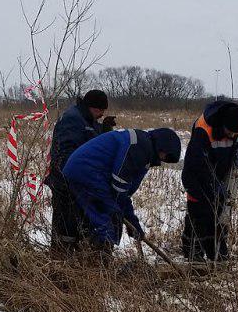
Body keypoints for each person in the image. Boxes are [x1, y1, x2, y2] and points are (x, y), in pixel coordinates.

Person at [60, 127, 182, 255]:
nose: (163, 159)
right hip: (87, 173)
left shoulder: (144, 149)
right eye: (166, 155)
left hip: (87, 173)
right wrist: (125, 216)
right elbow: (119, 188)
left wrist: (132, 221)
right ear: (162, 146)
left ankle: (92, 258)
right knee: (108, 219)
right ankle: (99, 264)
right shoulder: (139, 147)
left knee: (105, 217)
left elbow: (124, 192)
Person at [180, 100, 238, 262]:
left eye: (236, 134)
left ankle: (216, 251)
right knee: (199, 209)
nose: (233, 136)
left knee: (221, 209)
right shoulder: (203, 130)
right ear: (222, 125)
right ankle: (192, 251)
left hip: (225, 166)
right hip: (203, 167)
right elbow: (193, 167)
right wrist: (204, 188)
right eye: (230, 132)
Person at [46, 89, 116, 254]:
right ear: (92, 107)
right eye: (100, 111)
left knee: (76, 227)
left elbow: (90, 137)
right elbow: (66, 154)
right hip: (65, 183)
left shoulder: (85, 118)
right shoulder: (72, 119)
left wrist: (105, 130)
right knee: (65, 229)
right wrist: (73, 179)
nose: (101, 114)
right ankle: (60, 262)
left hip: (77, 183)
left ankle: (74, 261)